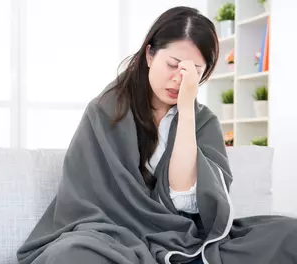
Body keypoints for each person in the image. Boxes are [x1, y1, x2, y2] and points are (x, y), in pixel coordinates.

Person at [17, 6, 297, 264]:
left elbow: (185, 198)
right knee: (73, 254)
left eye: (193, 72)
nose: (179, 79)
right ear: (150, 55)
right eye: (173, 65)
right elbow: (83, 201)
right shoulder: (104, 111)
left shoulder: (203, 122)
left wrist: (186, 110)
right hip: (112, 236)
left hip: (185, 238)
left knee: (288, 234)